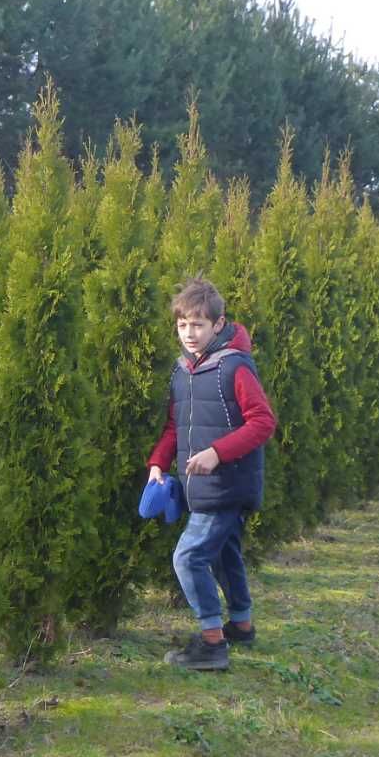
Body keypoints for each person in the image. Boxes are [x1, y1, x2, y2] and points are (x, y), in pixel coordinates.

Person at [146, 277, 278, 671]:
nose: (190, 333)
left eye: (199, 325)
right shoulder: (183, 370)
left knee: (188, 558)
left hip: (226, 483)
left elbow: (263, 422)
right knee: (223, 554)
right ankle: (241, 624)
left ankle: (211, 644)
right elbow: (175, 426)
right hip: (200, 483)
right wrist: (158, 462)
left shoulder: (233, 367)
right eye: (183, 324)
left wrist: (217, 454)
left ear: (218, 325)